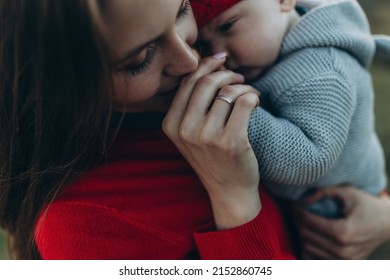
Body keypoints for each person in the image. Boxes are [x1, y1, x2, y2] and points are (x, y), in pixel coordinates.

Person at [0, 0, 388, 260]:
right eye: (140, 60)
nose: (191, 60)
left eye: (182, 11)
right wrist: (234, 200)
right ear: (57, 85)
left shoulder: (242, 56)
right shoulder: (81, 227)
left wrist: (382, 214)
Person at [190, 0, 388, 218]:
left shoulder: (323, 71)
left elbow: (309, 161)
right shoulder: (271, 52)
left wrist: (231, 108)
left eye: (227, 26)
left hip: (336, 208)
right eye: (204, 45)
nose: (219, 53)